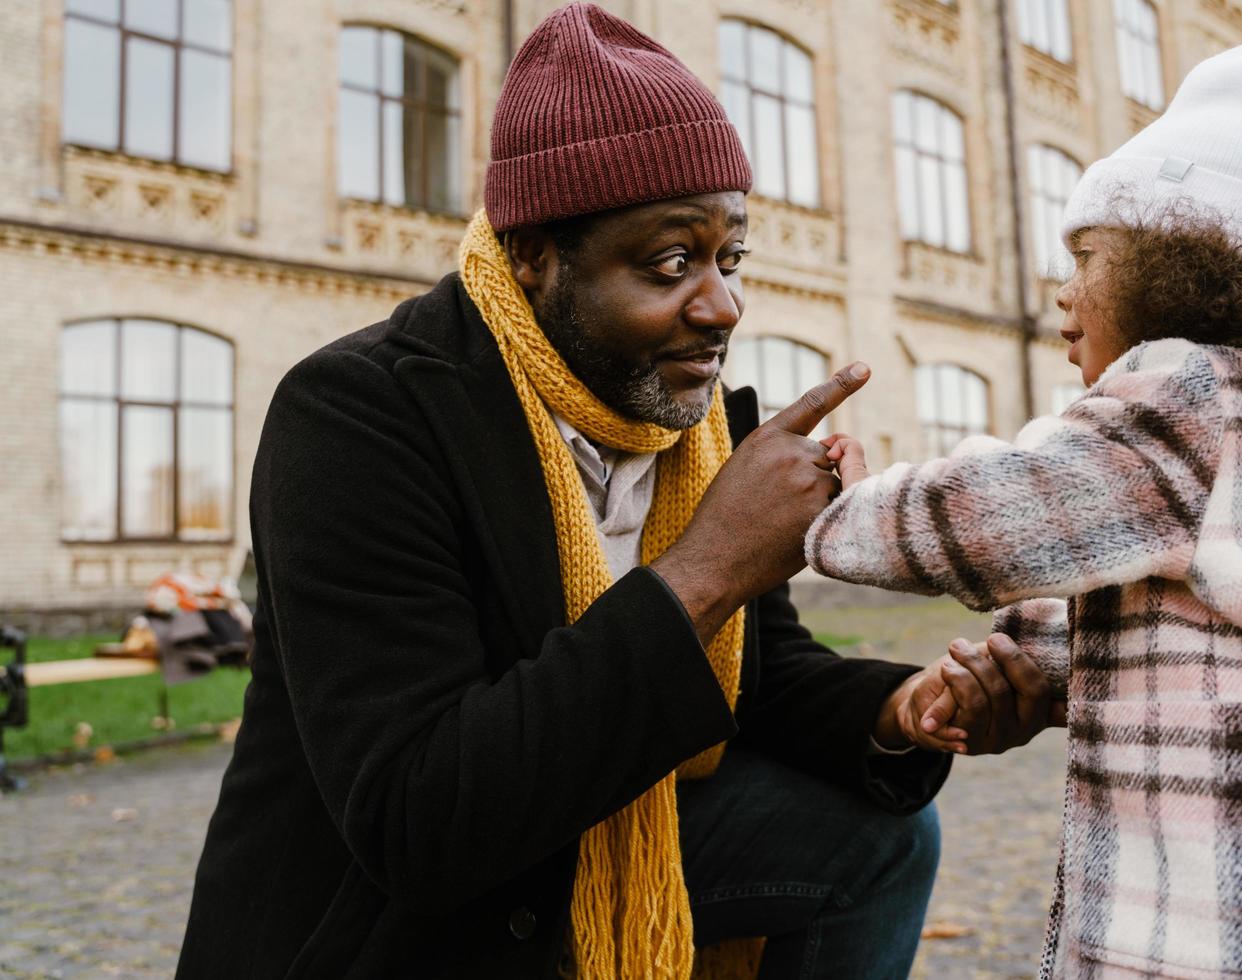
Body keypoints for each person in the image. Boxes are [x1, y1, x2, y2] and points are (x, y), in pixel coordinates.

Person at [178, 5, 1061, 979]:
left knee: (877, 834)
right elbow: (418, 816)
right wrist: (708, 565)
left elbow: (759, 679)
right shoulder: (359, 416)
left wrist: (909, 706)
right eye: (671, 262)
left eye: (731, 258)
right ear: (534, 255)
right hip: (398, 933)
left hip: (577, 851)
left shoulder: (693, 422)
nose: (722, 304)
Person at [806, 35, 1242, 977]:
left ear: (1180, 268)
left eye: (1087, 254)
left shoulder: (1184, 390)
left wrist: (839, 505)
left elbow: (1015, 516)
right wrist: (1027, 662)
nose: (1063, 290)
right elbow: (1184, 599)